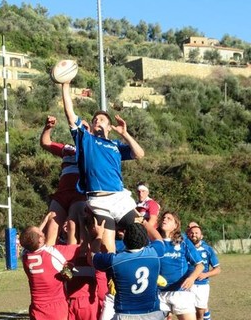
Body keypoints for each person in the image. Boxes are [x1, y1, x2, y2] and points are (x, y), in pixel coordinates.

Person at [61, 82, 145, 253]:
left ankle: (147, 271)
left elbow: (139, 154)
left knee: (141, 235)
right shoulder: (86, 139)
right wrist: (65, 85)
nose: (97, 120)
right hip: (99, 201)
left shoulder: (115, 145)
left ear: (109, 127)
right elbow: (70, 115)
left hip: (120, 198)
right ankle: (110, 279)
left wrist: (125, 134)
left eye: (102, 119)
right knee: (108, 248)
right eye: (94, 119)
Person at [90, 218, 165, 320]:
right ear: (145, 239)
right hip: (153, 314)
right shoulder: (154, 253)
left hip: (125, 315)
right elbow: (158, 238)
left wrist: (98, 235)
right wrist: (144, 222)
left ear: (124, 239)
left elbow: (91, 258)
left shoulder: (115, 260)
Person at [40, 115, 86, 245]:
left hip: (80, 193)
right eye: (80, 127)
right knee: (52, 224)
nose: (82, 130)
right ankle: (48, 259)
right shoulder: (67, 148)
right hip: (62, 192)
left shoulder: (93, 149)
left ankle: (74, 261)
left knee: (73, 226)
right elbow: (46, 143)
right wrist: (48, 128)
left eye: (86, 127)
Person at [20, 225, 80, 320]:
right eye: (41, 232)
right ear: (39, 240)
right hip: (56, 309)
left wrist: (44, 222)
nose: (43, 232)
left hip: (36, 308)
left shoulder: (25, 256)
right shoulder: (53, 252)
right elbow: (76, 248)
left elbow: (30, 237)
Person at [157, 211, 204, 320]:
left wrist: (192, 278)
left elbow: (200, 265)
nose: (164, 219)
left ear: (175, 225)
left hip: (181, 292)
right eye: (163, 217)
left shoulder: (183, 241)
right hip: (159, 293)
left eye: (169, 218)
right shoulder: (154, 241)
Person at [187, 224, 221, 320]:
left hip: (201, 286)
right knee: (188, 312)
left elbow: (217, 269)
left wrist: (205, 274)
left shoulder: (208, 249)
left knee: (200, 313)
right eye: (191, 233)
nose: (194, 235)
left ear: (201, 236)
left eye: (196, 233)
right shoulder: (184, 248)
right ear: (188, 235)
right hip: (186, 285)